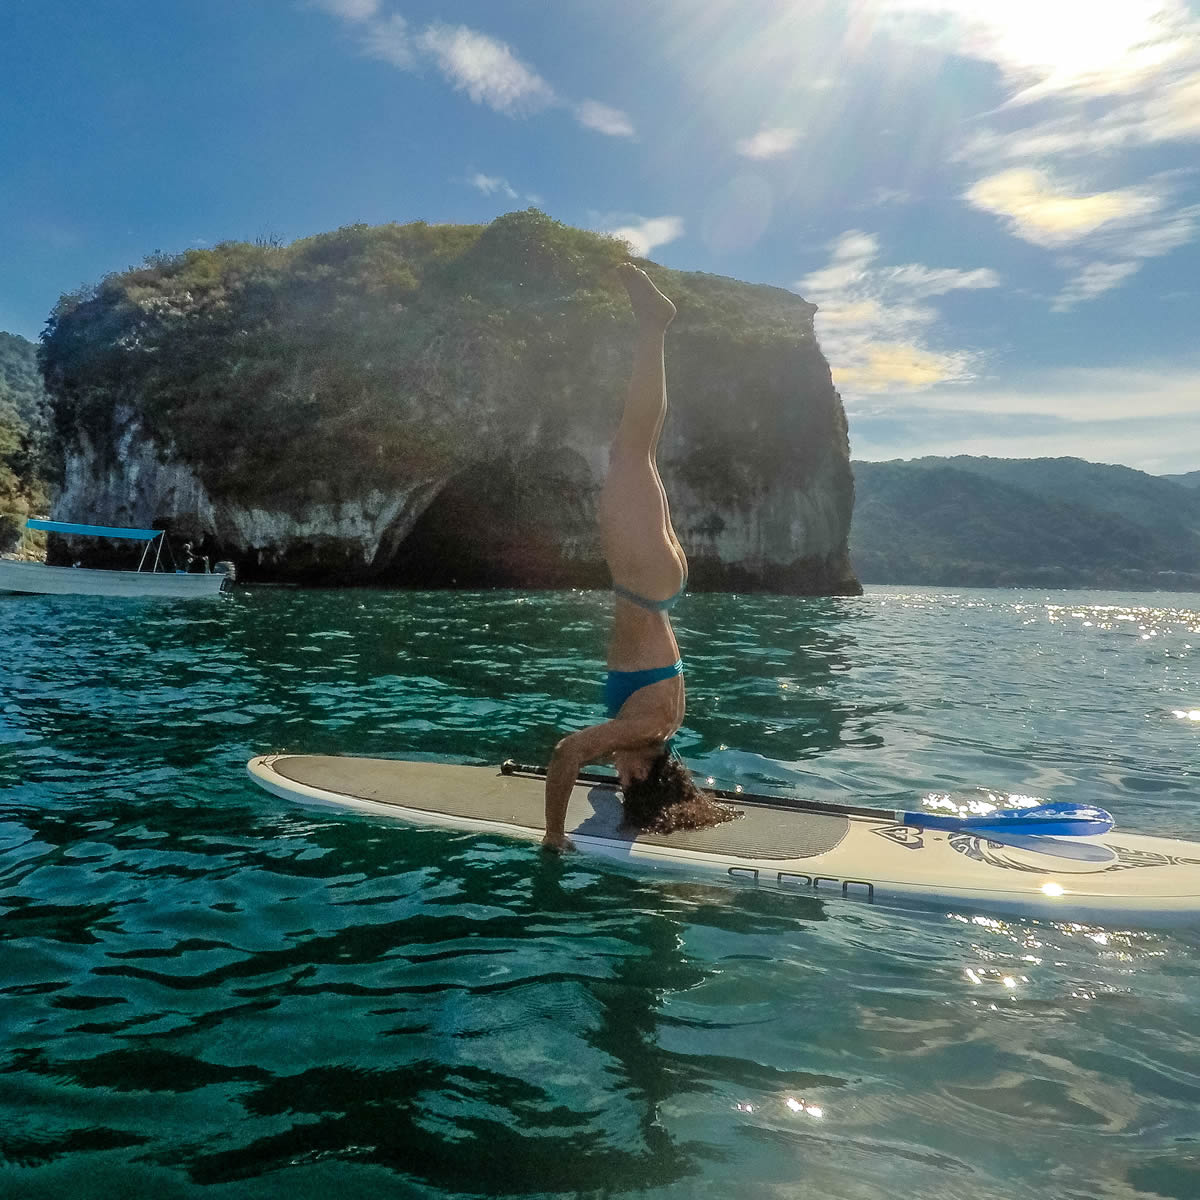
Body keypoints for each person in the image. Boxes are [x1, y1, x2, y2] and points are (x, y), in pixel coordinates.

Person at [542, 265, 737, 851]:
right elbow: (567, 752)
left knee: (638, 449)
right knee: (631, 446)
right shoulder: (646, 728)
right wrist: (554, 834)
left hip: (659, 584)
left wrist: (621, 784)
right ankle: (653, 326)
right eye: (627, 782)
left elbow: (610, 763)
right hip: (642, 583)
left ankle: (654, 327)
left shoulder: (663, 726)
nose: (615, 778)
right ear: (650, 769)